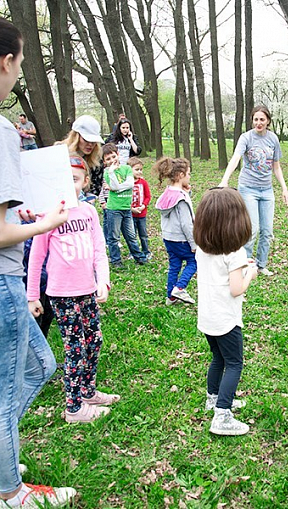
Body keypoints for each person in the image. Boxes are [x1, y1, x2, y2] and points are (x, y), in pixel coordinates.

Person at [0, 17, 76, 508]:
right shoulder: (3, 131)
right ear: (6, 62)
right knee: (8, 389)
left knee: (42, 363)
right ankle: (10, 491)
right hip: (4, 276)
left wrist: (18, 214)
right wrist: (43, 225)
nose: (19, 71)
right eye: (22, 62)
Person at [27, 155, 119, 423]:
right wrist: (32, 295)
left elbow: (99, 251)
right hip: (61, 293)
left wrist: (102, 280)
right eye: (65, 179)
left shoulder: (89, 212)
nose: (70, 184)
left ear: (86, 181)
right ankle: (74, 406)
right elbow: (36, 257)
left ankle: (88, 391)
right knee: (75, 346)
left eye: (76, 179)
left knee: (95, 339)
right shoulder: (49, 215)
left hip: (87, 290)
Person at [194, 188, 257, 436]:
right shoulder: (236, 253)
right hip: (227, 320)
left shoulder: (202, 250)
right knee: (234, 363)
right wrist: (249, 273)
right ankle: (222, 414)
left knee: (217, 358)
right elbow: (236, 289)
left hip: (207, 316)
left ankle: (214, 398)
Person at [219, 105, 288, 276]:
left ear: (268, 121)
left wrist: (284, 188)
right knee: (252, 229)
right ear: (252, 120)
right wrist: (225, 179)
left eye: (262, 119)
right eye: (256, 119)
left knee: (267, 231)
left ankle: (261, 265)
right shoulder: (246, 138)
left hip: (267, 190)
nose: (259, 123)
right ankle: (244, 264)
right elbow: (236, 158)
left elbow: (276, 166)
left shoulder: (273, 139)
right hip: (248, 188)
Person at [154, 157, 196, 305]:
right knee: (194, 261)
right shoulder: (181, 198)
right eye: (189, 174)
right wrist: (194, 244)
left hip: (168, 238)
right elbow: (186, 224)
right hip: (181, 239)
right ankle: (179, 287)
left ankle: (170, 297)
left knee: (174, 265)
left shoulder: (168, 193)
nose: (190, 177)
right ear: (180, 176)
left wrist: (187, 193)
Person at [102, 143, 147, 268]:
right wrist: (112, 173)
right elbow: (116, 186)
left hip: (126, 208)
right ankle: (116, 261)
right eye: (108, 159)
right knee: (114, 237)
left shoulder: (127, 168)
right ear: (104, 162)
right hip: (113, 209)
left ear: (117, 154)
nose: (112, 160)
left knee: (131, 236)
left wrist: (115, 188)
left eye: (113, 156)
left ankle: (139, 258)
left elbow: (130, 184)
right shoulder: (107, 172)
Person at [57, 115, 104, 196]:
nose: (90, 144)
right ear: (76, 136)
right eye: (86, 140)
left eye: (94, 141)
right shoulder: (59, 152)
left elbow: (96, 187)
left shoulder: (97, 159)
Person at [129, 157, 151, 260]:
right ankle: (133, 252)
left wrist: (143, 206)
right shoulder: (127, 184)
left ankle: (146, 251)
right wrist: (131, 208)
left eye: (141, 169)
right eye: (137, 169)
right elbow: (124, 198)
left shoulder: (143, 183)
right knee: (131, 235)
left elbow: (148, 196)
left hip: (141, 214)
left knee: (143, 234)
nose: (139, 172)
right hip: (130, 214)